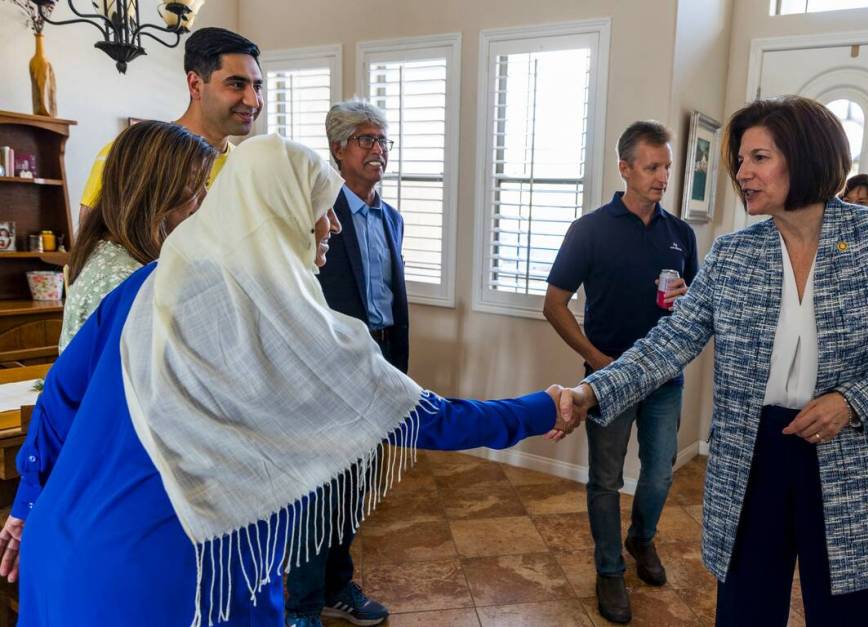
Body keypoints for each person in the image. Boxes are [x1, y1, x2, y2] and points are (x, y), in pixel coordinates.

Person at [0, 135, 582, 627]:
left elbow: (60, 398)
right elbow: (424, 418)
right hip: (171, 578)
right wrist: (542, 407)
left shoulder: (148, 284)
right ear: (275, 211)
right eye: (321, 208)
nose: (333, 224)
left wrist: (25, 503)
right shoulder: (294, 329)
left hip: (59, 550)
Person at [559, 96, 868, 626]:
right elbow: (670, 341)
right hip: (753, 456)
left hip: (850, 454)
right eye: (739, 161)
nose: (741, 174)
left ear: (805, 156)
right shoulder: (733, 253)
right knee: (747, 611)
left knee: (850, 615)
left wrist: (851, 402)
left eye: (758, 158)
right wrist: (592, 391)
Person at [543, 120, 697, 624]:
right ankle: (609, 569)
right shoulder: (589, 230)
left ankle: (641, 539)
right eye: (652, 167)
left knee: (658, 473)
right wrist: (600, 361)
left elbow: (694, 310)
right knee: (605, 480)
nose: (662, 176)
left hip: (664, 379)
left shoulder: (681, 235)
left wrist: (686, 300)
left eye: (667, 167)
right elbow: (555, 305)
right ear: (625, 168)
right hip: (606, 378)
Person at [283, 100, 407, 627]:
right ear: (337, 150)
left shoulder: (391, 218)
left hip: (378, 362)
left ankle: (338, 586)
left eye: (383, 141)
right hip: (326, 370)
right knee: (318, 491)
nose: (377, 150)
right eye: (366, 140)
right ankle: (302, 605)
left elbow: (390, 300)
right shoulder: (315, 214)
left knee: (355, 489)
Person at [59, 121, 216, 352]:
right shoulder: (125, 279)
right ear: (151, 188)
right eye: (194, 183)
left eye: (206, 183)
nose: (205, 198)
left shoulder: (113, 254)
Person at [78, 27, 262, 219]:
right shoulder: (132, 155)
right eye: (236, 84)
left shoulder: (249, 167)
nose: (254, 101)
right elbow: (93, 243)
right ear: (195, 85)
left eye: (257, 86)